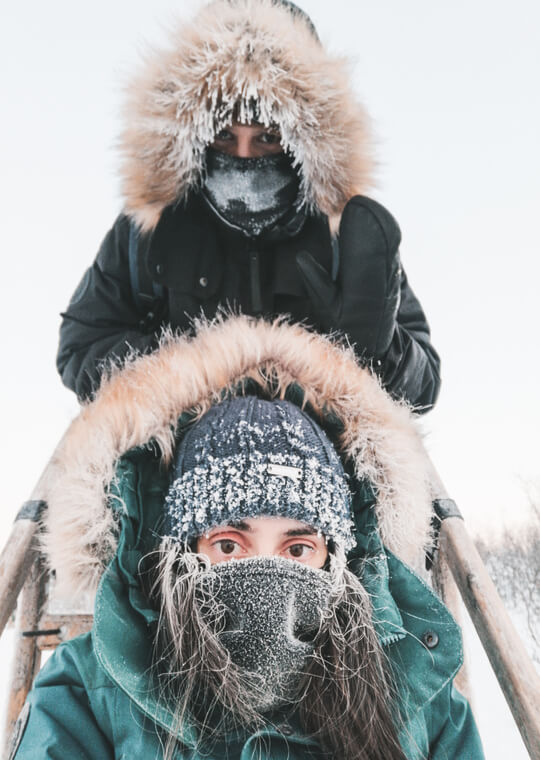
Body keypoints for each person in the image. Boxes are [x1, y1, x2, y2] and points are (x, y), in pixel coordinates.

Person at [10, 316, 482, 759]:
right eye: (229, 545)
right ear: (183, 548)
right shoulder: (87, 691)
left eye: (298, 549)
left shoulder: (419, 693)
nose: (266, 575)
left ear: (337, 557)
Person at [56, 0, 441, 411]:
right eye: (225, 135)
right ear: (195, 138)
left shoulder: (346, 238)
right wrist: (189, 371)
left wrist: (380, 349)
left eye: (266, 138)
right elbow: (81, 345)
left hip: (324, 460)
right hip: (176, 455)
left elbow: (424, 384)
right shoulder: (150, 230)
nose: (243, 157)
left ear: (304, 142)